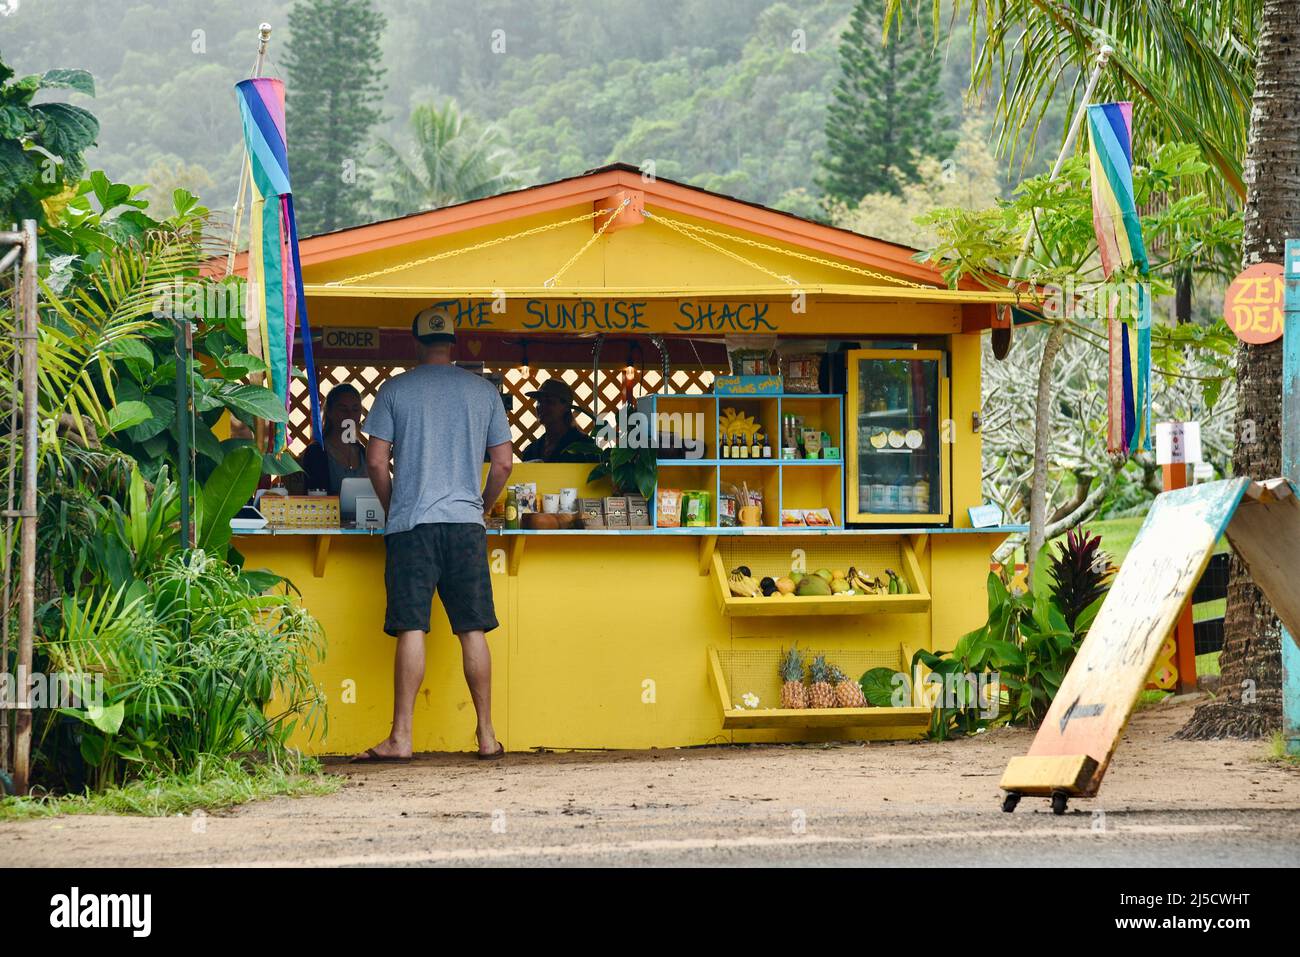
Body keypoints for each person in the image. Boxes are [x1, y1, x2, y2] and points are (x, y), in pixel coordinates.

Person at [353, 304, 514, 762]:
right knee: (473, 629)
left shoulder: (395, 391)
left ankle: (401, 738)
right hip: (465, 525)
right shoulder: (483, 392)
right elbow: (503, 463)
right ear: (454, 343)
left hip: (412, 526)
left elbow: (376, 461)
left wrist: (394, 506)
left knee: (411, 627)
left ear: (415, 343)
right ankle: (486, 736)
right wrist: (480, 507)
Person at [299, 384, 368, 495]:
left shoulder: (362, 452)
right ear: (330, 412)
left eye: (355, 409)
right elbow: (315, 494)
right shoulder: (316, 452)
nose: (350, 415)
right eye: (343, 409)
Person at [520, 378, 595, 462]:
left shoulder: (584, 446)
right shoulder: (531, 450)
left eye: (549, 401)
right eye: (539, 401)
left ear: (566, 407)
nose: (541, 406)